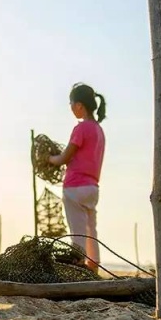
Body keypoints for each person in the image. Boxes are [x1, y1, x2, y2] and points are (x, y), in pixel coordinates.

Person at [47, 83, 107, 274]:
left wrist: (48, 159)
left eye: (71, 103)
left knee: (78, 233)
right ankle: (93, 270)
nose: (71, 108)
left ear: (80, 105)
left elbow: (64, 157)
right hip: (92, 188)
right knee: (91, 232)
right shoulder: (98, 130)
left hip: (75, 187)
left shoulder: (81, 128)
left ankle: (78, 271)